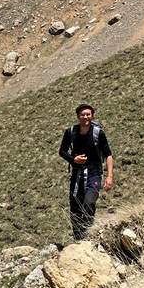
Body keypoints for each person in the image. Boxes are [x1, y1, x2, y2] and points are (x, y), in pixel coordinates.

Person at [58, 103, 113, 240]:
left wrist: (109, 176)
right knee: (75, 206)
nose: (85, 117)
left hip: (94, 173)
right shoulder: (70, 132)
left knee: (89, 202)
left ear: (92, 116)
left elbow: (108, 155)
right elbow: (62, 151)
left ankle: (89, 234)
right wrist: (73, 160)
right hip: (77, 174)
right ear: (78, 116)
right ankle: (78, 238)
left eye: (88, 114)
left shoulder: (98, 133)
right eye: (82, 114)